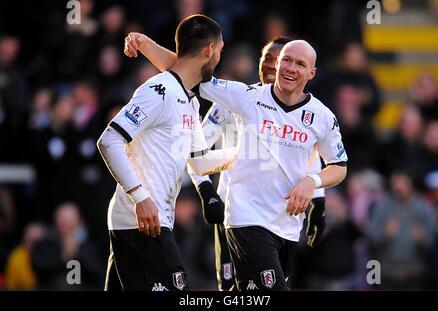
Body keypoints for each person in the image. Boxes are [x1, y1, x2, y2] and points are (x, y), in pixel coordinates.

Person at [125, 35, 348, 290]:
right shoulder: (248, 96)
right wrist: (144, 45)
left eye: (299, 64)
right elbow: (185, 72)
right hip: (246, 218)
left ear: (312, 73)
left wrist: (314, 185)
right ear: (276, 64)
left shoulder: (322, 117)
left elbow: (339, 167)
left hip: (287, 226)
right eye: (286, 60)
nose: (290, 68)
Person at [97, 14, 226, 291]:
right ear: (209, 51)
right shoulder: (159, 91)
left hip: (148, 222)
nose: (219, 59)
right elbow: (109, 140)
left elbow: (202, 161)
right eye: (220, 51)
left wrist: (262, 151)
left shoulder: (189, 101)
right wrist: (140, 197)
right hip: (141, 221)